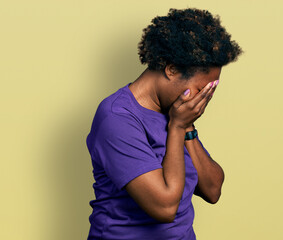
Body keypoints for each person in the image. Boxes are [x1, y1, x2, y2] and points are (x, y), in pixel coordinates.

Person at [86, 7, 243, 240]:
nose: (203, 100)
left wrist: (187, 127)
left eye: (210, 91)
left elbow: (212, 189)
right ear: (171, 69)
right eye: (201, 90)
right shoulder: (116, 117)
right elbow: (165, 208)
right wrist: (177, 127)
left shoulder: (176, 113)